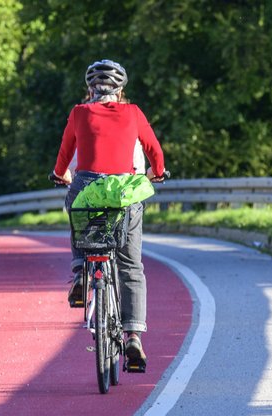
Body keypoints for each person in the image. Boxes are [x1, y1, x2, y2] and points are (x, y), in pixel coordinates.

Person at [52, 58, 165, 371]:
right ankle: (133, 338)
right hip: (124, 192)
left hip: (88, 186)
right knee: (131, 265)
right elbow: (154, 149)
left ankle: (79, 272)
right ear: (120, 90)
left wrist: (60, 173)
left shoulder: (79, 112)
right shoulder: (134, 112)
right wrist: (158, 172)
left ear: (90, 88)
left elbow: (65, 153)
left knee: (75, 208)